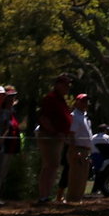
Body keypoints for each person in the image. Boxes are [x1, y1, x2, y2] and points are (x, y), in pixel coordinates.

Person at [36, 74, 74, 204]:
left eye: (69, 85)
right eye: (65, 85)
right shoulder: (50, 99)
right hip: (49, 137)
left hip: (58, 138)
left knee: (54, 166)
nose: (67, 87)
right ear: (57, 85)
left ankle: (47, 195)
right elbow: (43, 118)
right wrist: (55, 132)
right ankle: (43, 196)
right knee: (49, 166)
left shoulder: (61, 100)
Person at [65, 94, 96, 203]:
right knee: (76, 176)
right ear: (77, 102)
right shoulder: (75, 116)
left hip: (85, 150)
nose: (85, 103)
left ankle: (78, 199)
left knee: (83, 177)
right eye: (83, 101)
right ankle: (71, 199)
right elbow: (71, 134)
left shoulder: (85, 117)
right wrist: (74, 150)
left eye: (86, 101)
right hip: (78, 148)